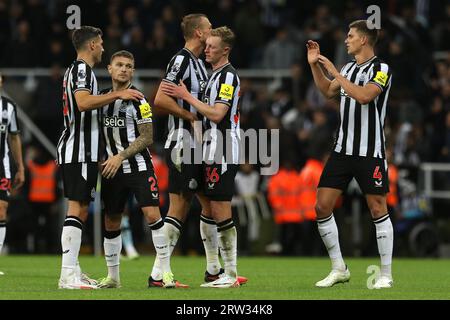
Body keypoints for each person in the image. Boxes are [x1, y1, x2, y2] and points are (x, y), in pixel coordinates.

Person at [151, 14, 246, 287]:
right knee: (179, 206)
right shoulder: (182, 60)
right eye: (207, 28)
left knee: (208, 204)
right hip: (184, 143)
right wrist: (189, 115)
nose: (210, 33)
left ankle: (215, 270)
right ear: (198, 32)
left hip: (205, 147)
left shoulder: (209, 69)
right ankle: (159, 273)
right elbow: (159, 98)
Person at [307, 19, 394, 289]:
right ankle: (339, 268)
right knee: (322, 206)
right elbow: (327, 91)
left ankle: (386, 274)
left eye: (350, 35)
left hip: (370, 152)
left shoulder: (381, 68)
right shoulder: (347, 69)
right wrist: (314, 66)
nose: (346, 40)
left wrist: (336, 72)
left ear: (364, 40)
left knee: (377, 208)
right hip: (343, 150)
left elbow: (365, 96)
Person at [56, 26, 143, 289]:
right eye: (101, 43)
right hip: (78, 149)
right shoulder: (82, 70)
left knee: (80, 208)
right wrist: (118, 93)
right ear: (92, 45)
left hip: (83, 150)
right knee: (78, 208)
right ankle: (67, 274)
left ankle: (73, 270)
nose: (104, 47)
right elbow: (82, 102)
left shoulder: (80, 70)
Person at [97, 50, 178, 289]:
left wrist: (119, 156)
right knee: (111, 220)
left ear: (132, 71)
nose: (123, 69)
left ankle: (165, 272)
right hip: (112, 170)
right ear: (110, 69)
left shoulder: (139, 100)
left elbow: (147, 136)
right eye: (119, 65)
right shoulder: (101, 99)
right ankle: (113, 277)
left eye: (128, 66)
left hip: (138, 166)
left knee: (153, 215)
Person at [0, 72, 25, 275]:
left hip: (3, 166)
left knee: (1, 209)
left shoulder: (9, 107)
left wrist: (20, 167)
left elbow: (15, 138)